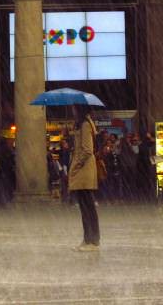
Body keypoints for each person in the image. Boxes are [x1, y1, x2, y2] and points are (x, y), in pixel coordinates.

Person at [69, 104, 100, 252]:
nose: (72, 111)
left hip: (84, 169)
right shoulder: (81, 124)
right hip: (82, 169)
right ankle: (88, 238)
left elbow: (87, 149)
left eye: (74, 108)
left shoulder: (85, 125)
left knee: (87, 206)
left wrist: (76, 164)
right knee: (84, 206)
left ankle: (92, 240)